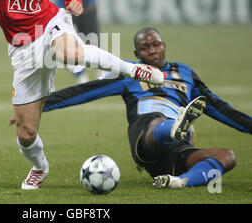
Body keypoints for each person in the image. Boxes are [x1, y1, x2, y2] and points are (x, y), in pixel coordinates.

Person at [0, 0, 163, 190]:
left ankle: (134, 69)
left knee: (71, 54)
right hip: (22, 49)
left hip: (50, 23)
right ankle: (39, 168)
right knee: (26, 134)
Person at [41, 27, 252, 189]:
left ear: (164, 45)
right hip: (146, 139)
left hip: (176, 153)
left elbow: (218, 107)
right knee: (157, 120)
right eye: (145, 48)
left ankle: (179, 182)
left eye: (156, 45)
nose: (152, 51)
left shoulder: (185, 73)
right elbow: (86, 90)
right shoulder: (130, 72)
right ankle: (173, 127)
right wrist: (37, 106)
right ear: (137, 52)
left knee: (227, 156)